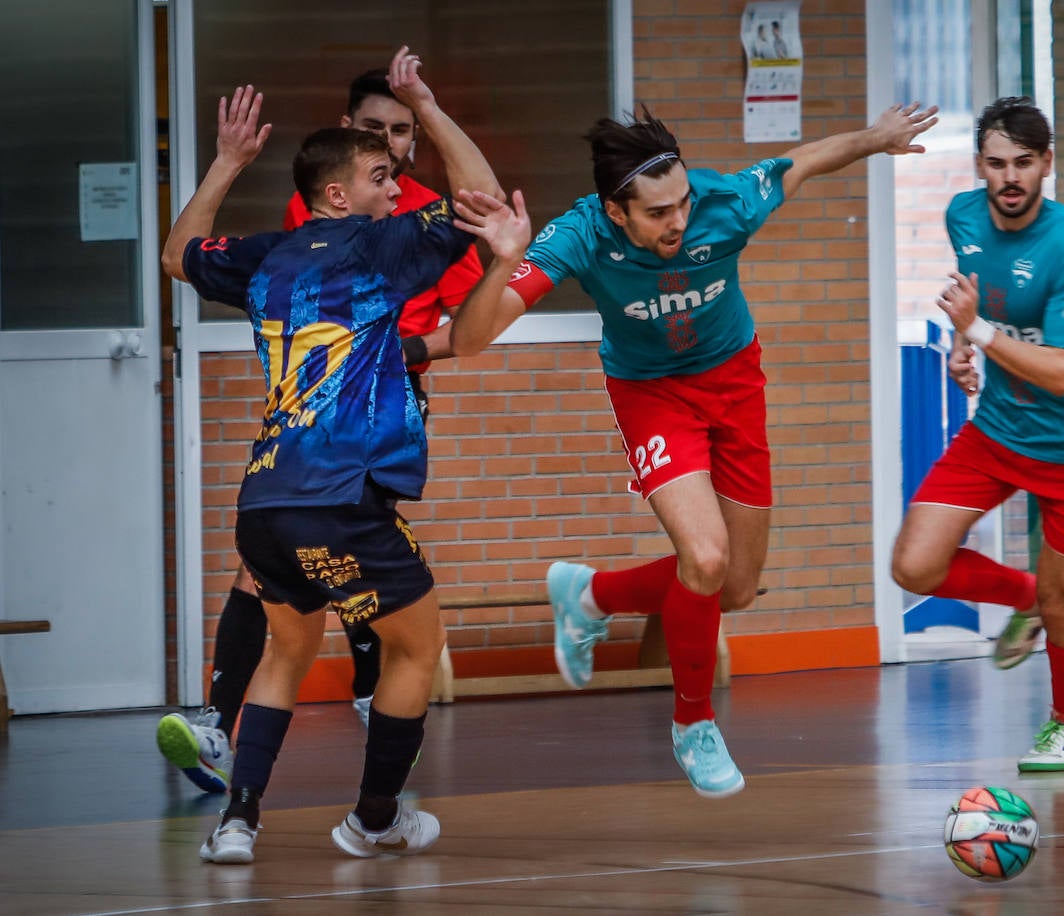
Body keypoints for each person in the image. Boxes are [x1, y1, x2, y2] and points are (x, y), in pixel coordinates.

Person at [449, 101, 938, 798]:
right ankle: (693, 723)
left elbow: (803, 161)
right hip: (651, 394)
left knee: (734, 585)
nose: (677, 220)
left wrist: (875, 139)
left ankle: (590, 594)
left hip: (736, 384)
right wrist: (501, 262)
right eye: (657, 213)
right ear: (616, 212)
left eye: (681, 203)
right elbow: (471, 339)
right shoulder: (581, 234)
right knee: (704, 557)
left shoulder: (725, 203)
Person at [161, 45, 530, 864]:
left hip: (264, 499)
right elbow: (477, 196)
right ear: (339, 194)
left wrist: (225, 164)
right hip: (341, 495)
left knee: (288, 650)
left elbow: (176, 255)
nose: (397, 186)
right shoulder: (380, 247)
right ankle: (374, 817)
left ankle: (237, 824)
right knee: (416, 644)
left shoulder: (265, 256)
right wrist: (428, 108)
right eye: (382, 176)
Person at [890, 96, 1064, 773]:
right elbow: (983, 299)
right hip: (997, 430)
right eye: (997, 164)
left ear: (1047, 164)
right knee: (915, 566)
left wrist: (981, 334)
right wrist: (966, 346)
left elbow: (1061, 371)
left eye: (1024, 162)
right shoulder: (961, 215)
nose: (1010, 177)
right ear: (979, 168)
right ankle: (1023, 599)